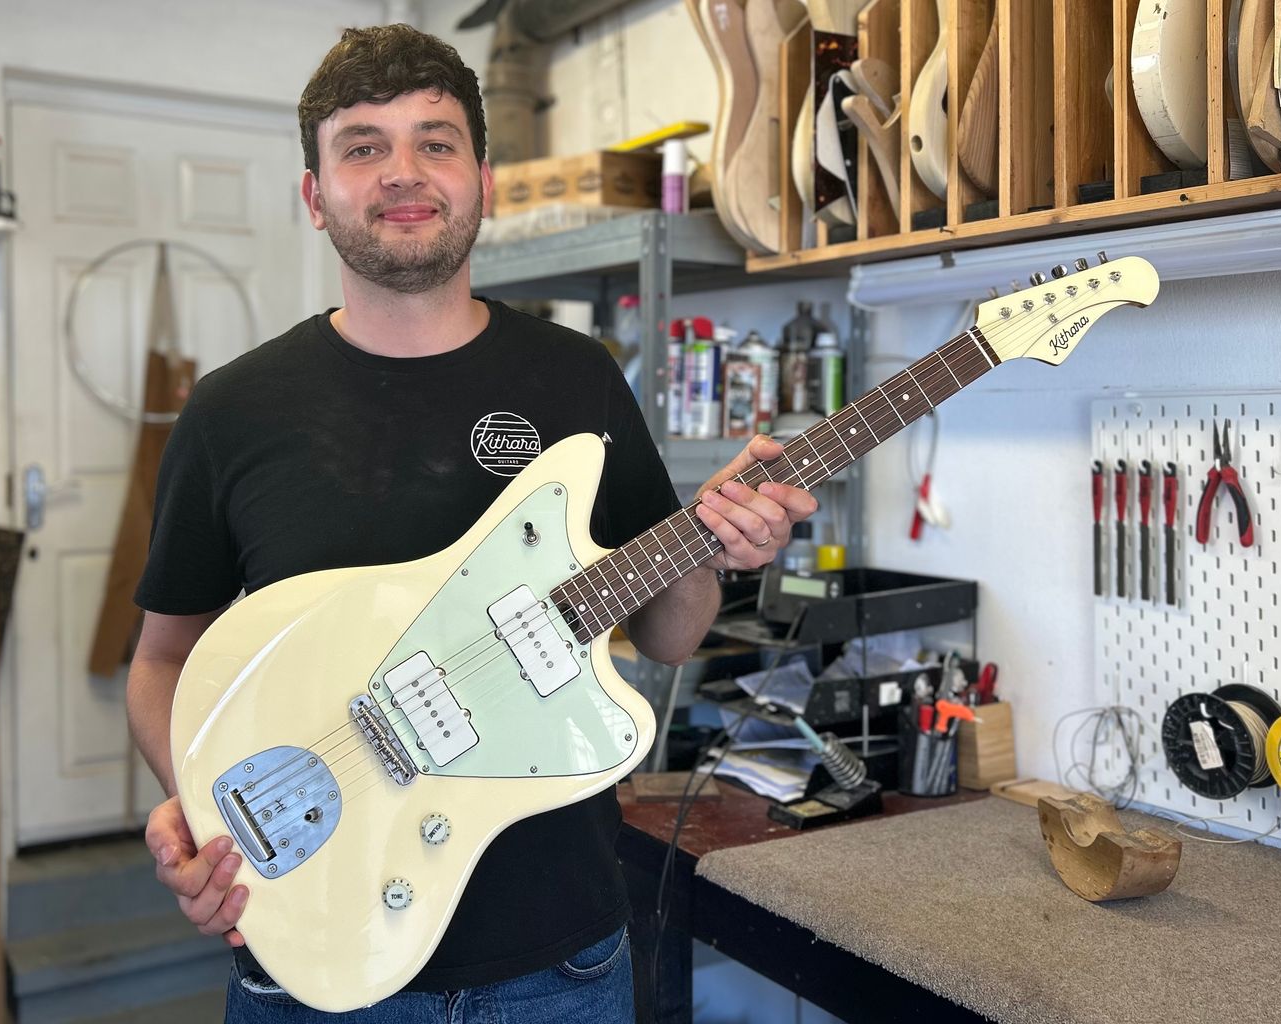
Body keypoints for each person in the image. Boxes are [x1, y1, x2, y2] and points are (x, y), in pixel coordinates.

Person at [125, 23, 818, 1024]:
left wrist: (720, 544)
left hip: (556, 966)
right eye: (363, 146)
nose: (402, 172)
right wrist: (205, 810)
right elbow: (161, 663)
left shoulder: (574, 377)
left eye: (435, 141)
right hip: (315, 972)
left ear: (482, 181)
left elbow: (667, 633)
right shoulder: (233, 412)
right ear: (315, 197)